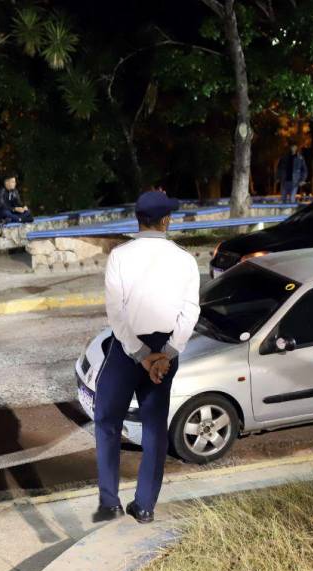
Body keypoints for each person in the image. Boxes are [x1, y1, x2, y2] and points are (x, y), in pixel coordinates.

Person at [93, 190, 201, 525]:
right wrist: (164, 355)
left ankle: (110, 502)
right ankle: (145, 507)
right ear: (166, 220)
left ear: (138, 219)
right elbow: (191, 312)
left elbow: (116, 313)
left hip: (129, 351)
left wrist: (142, 356)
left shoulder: (120, 256)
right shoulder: (185, 259)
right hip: (164, 352)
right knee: (155, 429)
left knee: (106, 420)